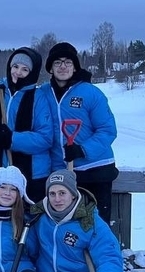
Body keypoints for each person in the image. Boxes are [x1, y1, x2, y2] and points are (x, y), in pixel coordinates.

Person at [39, 42, 118, 225]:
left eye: (68, 62)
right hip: (62, 170)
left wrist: (83, 150)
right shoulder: (43, 93)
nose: (63, 66)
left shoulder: (91, 93)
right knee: (68, 226)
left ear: (75, 66)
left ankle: (99, 254)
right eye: (57, 62)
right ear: (50, 67)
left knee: (96, 224)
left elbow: (108, 130)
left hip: (96, 169)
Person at [0, 47, 53, 203]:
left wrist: (12, 139)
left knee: (28, 218)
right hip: (1, 169)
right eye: (15, 67)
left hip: (33, 172)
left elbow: (45, 138)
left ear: (33, 72)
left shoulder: (38, 97)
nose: (18, 72)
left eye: (25, 69)